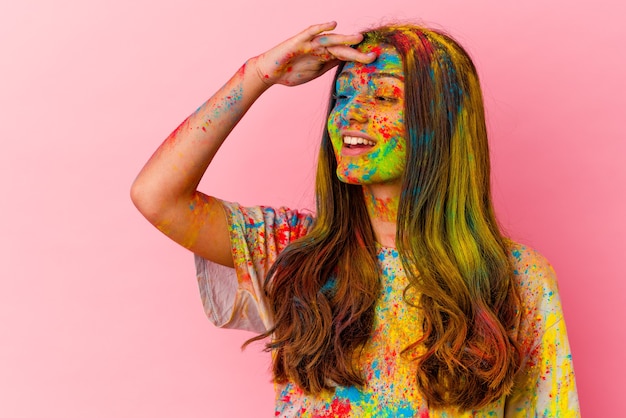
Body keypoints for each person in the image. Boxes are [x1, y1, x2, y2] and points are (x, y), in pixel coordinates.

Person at [131, 22, 580, 417]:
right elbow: (156, 196)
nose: (350, 112)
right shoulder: (292, 251)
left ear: (443, 121)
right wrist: (257, 76)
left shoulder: (516, 279)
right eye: (343, 95)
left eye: (383, 95)